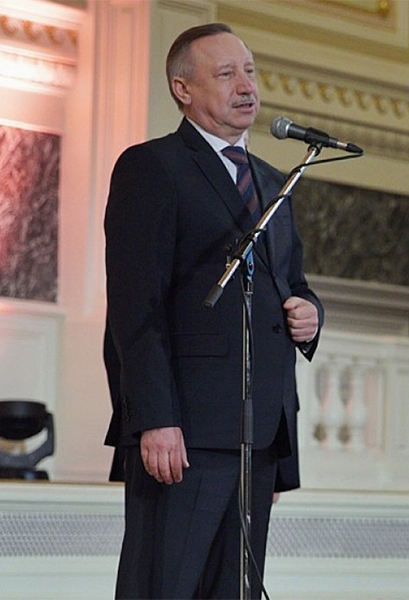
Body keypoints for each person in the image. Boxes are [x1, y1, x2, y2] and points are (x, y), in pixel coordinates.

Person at [103, 22, 323, 599]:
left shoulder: (275, 181)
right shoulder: (153, 167)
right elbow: (135, 306)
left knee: (235, 590)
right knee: (166, 586)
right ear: (183, 89)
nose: (245, 85)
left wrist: (309, 314)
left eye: (248, 71)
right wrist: (154, 418)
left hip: (256, 434)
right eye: (226, 74)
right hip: (185, 431)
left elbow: (290, 283)